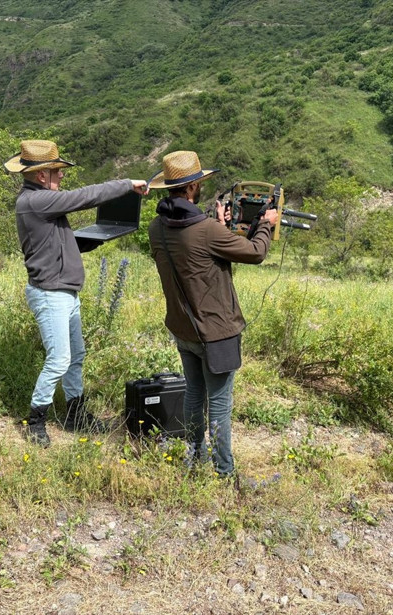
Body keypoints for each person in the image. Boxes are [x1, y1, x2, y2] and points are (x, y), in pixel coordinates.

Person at [5, 139, 148, 447]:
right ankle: (36, 420)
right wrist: (126, 184)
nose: (62, 177)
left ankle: (75, 414)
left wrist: (94, 238)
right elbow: (84, 197)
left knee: (75, 356)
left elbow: (55, 240)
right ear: (42, 175)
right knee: (59, 359)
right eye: (58, 172)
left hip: (63, 292)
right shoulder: (36, 201)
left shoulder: (39, 201)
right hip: (50, 293)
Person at [147, 150, 278, 477]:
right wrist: (265, 224)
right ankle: (223, 472)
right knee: (219, 404)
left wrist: (221, 226)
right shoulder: (206, 230)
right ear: (192, 189)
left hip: (184, 329)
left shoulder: (156, 228)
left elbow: (197, 258)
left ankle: (195, 458)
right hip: (216, 333)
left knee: (194, 393)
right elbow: (255, 253)